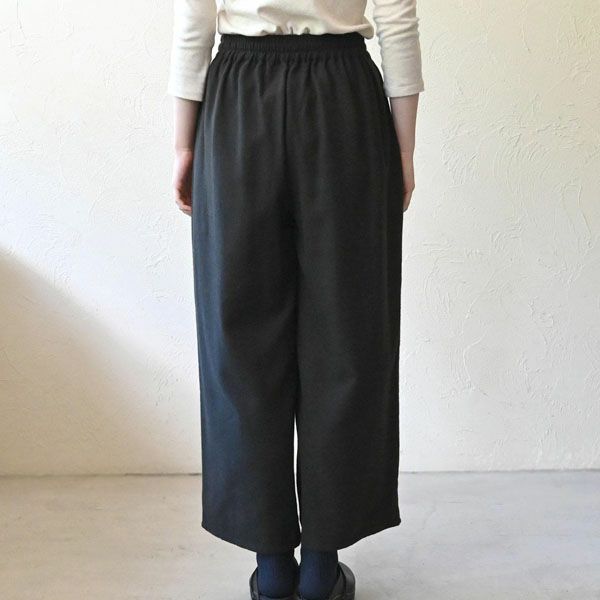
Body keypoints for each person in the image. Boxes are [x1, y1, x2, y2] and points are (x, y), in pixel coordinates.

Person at [168, 1, 424, 598]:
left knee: (240, 334)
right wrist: (403, 149)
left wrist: (184, 144)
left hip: (238, 98)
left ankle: (273, 567)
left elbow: (193, 23)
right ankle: (320, 568)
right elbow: (397, 18)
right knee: (348, 331)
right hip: (344, 99)